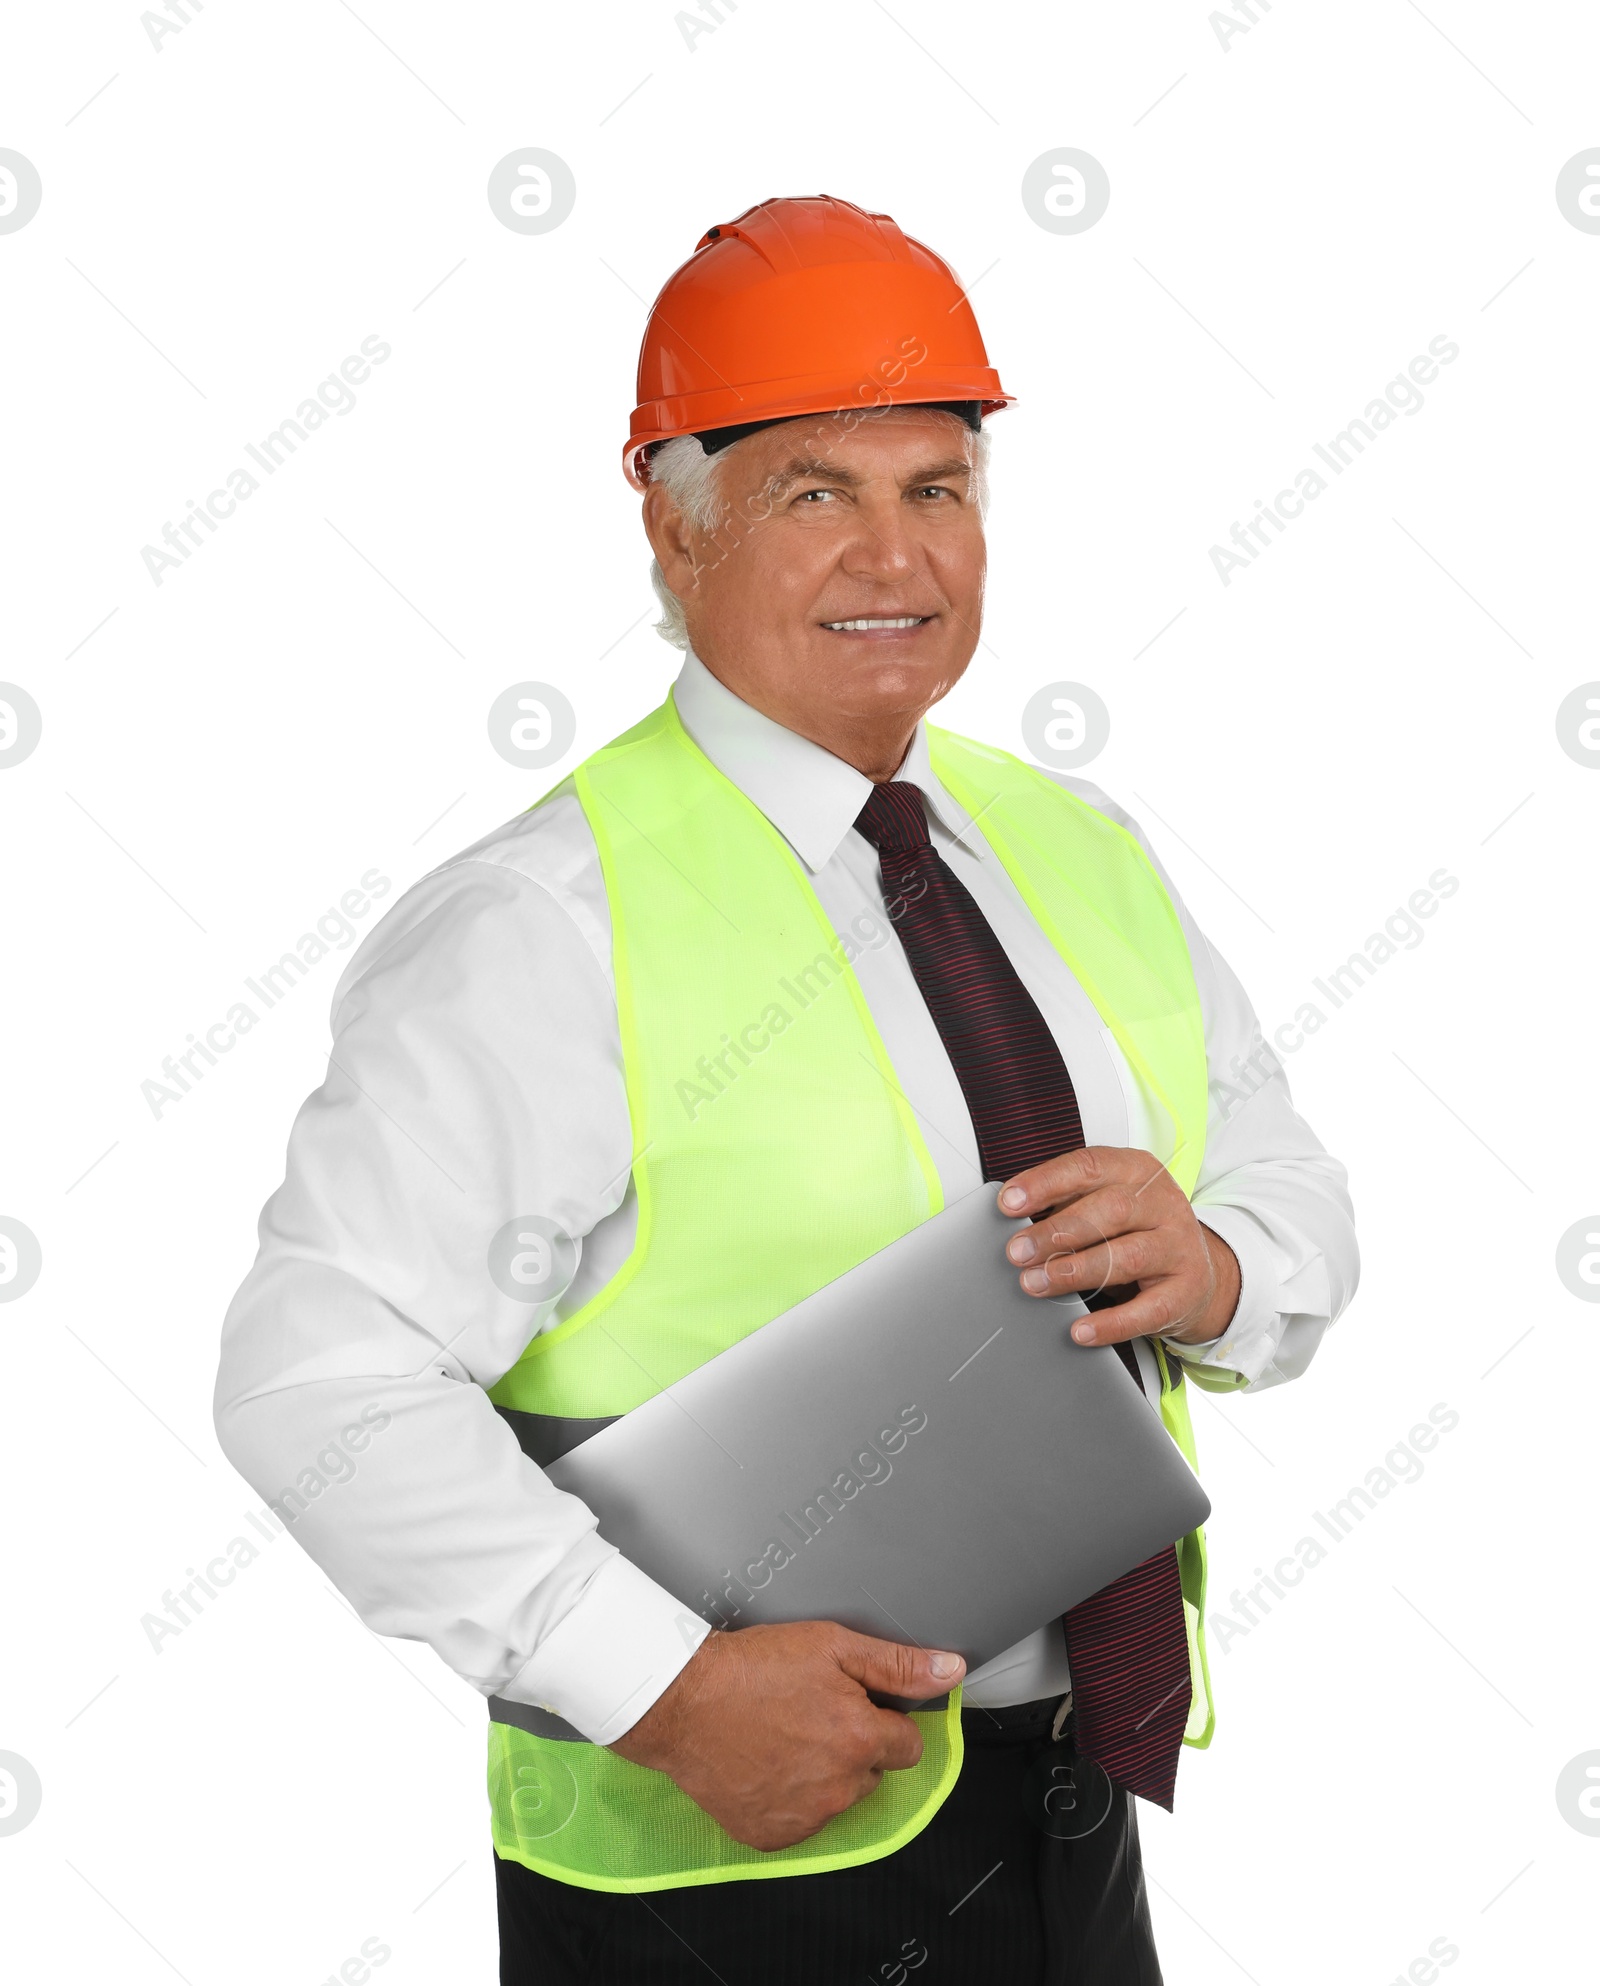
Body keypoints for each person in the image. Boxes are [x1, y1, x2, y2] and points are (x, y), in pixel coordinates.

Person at [215, 194, 1358, 1984]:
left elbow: (1291, 1184)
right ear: (674, 529)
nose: (893, 554)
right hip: (716, 1872)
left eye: (940, 487)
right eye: (815, 490)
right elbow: (317, 1378)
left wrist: (1214, 1262)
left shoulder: (1076, 846)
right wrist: (656, 1682)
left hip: (1073, 1815)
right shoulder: (544, 921)